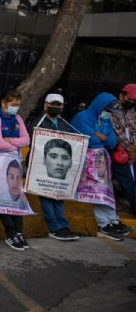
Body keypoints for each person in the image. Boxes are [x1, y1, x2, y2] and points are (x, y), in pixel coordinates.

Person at [72, 92, 133, 241]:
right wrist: (100, 137)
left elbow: (112, 141)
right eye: (107, 109)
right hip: (87, 161)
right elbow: (88, 139)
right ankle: (104, 224)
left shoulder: (105, 120)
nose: (108, 113)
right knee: (97, 193)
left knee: (106, 191)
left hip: (102, 161)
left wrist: (100, 136)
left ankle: (113, 220)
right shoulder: (82, 117)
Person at [29, 93, 80, 241]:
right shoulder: (38, 122)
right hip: (42, 165)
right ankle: (54, 228)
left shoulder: (65, 123)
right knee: (46, 194)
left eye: (58, 105)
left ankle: (63, 226)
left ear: (62, 107)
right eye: (53, 104)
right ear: (45, 105)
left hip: (60, 166)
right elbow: (35, 140)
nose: (55, 107)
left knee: (58, 195)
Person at [0, 88, 30, 252]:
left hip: (14, 163)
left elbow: (27, 140)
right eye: (13, 104)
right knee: (3, 198)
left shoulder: (17, 118)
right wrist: (14, 144)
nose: (16, 107)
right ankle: (10, 233)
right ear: (4, 103)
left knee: (16, 196)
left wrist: (10, 140)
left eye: (18, 104)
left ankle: (19, 232)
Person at [110, 84, 136, 216]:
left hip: (132, 154)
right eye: (130, 99)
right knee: (128, 182)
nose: (132, 102)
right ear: (122, 96)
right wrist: (131, 149)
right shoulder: (112, 111)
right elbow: (117, 133)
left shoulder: (132, 113)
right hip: (117, 153)